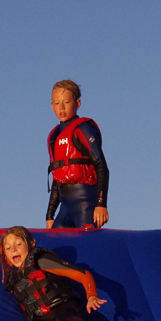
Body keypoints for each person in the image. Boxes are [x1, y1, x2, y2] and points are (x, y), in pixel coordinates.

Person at [45, 80, 109, 229]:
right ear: (52, 106)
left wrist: (101, 204)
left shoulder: (82, 129)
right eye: (57, 103)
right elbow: (57, 178)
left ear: (77, 103)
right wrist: (50, 215)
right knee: (55, 241)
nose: (61, 107)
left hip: (85, 202)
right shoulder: (54, 136)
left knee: (87, 242)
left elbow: (101, 166)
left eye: (66, 102)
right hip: (65, 207)